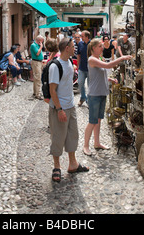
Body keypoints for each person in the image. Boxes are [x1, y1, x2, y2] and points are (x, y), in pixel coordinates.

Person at [49, 37, 89, 182]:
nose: (75, 49)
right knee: (58, 137)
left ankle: (73, 164)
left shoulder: (70, 62)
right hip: (60, 108)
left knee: (73, 135)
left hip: (70, 106)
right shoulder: (55, 66)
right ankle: (56, 167)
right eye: (73, 46)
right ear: (67, 48)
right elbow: (52, 90)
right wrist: (59, 109)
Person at [83, 39, 132, 156]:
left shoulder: (98, 59)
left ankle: (97, 142)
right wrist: (122, 58)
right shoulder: (92, 59)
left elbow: (98, 74)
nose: (102, 48)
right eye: (100, 46)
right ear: (93, 48)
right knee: (92, 121)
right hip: (94, 94)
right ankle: (85, 146)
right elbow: (108, 65)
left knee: (98, 120)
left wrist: (109, 79)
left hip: (101, 93)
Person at [77, 30, 91, 106]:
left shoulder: (92, 44)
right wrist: (78, 65)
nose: (81, 37)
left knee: (90, 85)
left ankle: (89, 101)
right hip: (82, 68)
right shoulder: (80, 44)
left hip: (90, 69)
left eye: (82, 36)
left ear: (87, 37)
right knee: (80, 83)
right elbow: (78, 55)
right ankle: (82, 97)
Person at [30, 35, 45, 99]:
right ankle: (38, 94)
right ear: (39, 40)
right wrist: (41, 46)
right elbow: (37, 53)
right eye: (42, 41)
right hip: (36, 62)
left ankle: (35, 92)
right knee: (38, 78)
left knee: (37, 77)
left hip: (39, 62)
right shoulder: (33, 45)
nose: (42, 43)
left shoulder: (37, 45)